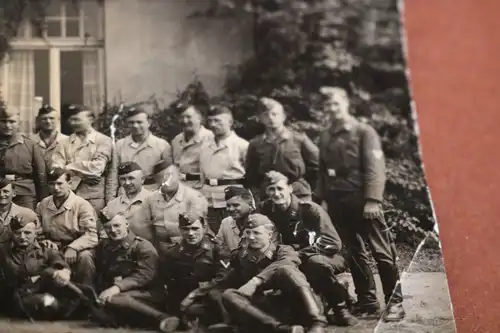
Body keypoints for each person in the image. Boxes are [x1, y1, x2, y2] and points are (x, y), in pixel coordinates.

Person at [316, 86, 404, 322]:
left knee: (381, 252)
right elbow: (323, 171)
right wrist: (323, 199)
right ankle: (368, 302)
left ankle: (395, 303)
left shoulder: (364, 132)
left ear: (346, 104)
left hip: (362, 199)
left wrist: (373, 199)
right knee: (354, 252)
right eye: (327, 105)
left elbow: (376, 168)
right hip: (337, 201)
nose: (332, 109)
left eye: (336, 104)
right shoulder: (325, 136)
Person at [260, 171, 357, 326]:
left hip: (329, 255)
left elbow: (332, 242)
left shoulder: (309, 209)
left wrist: (299, 253)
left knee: (315, 262)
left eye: (280, 188)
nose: (276, 194)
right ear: (266, 191)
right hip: (290, 258)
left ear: (290, 188)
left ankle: (340, 307)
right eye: (271, 189)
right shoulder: (265, 209)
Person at [212, 213, 327, 333]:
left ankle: (318, 322)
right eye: (248, 232)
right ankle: (281, 329)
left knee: (286, 269)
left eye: (256, 233)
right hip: (266, 313)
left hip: (292, 305)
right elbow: (226, 282)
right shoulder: (240, 257)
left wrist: (256, 281)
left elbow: (288, 262)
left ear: (269, 235)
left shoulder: (284, 250)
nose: (251, 237)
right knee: (228, 294)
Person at [93, 213, 174, 331]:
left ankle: (163, 318)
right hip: (123, 293)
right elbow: (101, 270)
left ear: (126, 224)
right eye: (108, 227)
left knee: (114, 298)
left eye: (117, 226)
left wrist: (117, 287)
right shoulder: (105, 246)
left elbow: (145, 275)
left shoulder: (142, 246)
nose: (113, 230)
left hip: (149, 293)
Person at [158, 211, 231, 331]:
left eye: (195, 228)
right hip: (186, 298)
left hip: (211, 297)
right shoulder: (173, 252)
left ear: (204, 228)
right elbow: (168, 280)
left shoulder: (218, 249)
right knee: (190, 310)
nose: (191, 233)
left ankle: (227, 323)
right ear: (180, 230)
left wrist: (195, 294)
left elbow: (223, 277)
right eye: (186, 229)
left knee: (214, 295)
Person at [245, 97, 319, 205]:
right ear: (260, 118)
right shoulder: (256, 144)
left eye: (275, 114)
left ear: (283, 116)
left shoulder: (298, 139)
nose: (271, 118)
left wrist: (309, 187)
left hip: (298, 192)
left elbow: (316, 165)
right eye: (266, 115)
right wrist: (258, 194)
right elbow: (251, 174)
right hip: (269, 194)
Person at [0, 215, 72, 320]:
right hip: (11, 297)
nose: (22, 237)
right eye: (17, 233)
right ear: (12, 234)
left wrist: (63, 273)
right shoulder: (3, 251)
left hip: (40, 293)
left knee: (50, 296)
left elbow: (61, 267)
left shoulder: (47, 250)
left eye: (27, 233)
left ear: (36, 233)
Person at [36, 168, 98, 286]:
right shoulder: (43, 204)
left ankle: (85, 294)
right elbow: (37, 230)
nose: (55, 188)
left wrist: (73, 247)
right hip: (53, 246)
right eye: (52, 184)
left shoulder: (82, 205)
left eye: (60, 183)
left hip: (78, 246)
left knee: (85, 258)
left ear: (69, 184)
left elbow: (91, 235)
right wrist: (44, 241)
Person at [52, 104, 116, 213]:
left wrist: (68, 168)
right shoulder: (63, 143)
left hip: (94, 198)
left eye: (77, 120)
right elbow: (56, 169)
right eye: (71, 120)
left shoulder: (103, 141)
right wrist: (83, 175)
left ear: (90, 120)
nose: (73, 123)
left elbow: (97, 169)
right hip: (68, 197)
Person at [133, 164, 208, 253]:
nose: (167, 180)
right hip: (160, 249)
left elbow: (197, 230)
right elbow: (143, 228)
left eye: (170, 175)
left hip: (189, 249)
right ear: (156, 180)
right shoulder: (150, 199)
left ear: (179, 175)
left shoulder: (194, 197)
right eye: (161, 177)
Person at [200, 104, 249, 233]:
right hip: (209, 200)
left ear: (230, 122)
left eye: (217, 121)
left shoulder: (242, 146)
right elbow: (202, 175)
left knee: (234, 234)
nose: (213, 124)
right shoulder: (205, 147)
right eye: (210, 121)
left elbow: (251, 177)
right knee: (214, 237)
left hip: (232, 201)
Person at [0, 103, 47, 210]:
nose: (7, 125)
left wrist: (43, 200)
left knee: (26, 223)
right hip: (1, 192)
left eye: (12, 122)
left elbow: (41, 175)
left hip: (24, 193)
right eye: (3, 121)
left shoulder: (30, 145)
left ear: (19, 123)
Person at [114, 107, 172, 192]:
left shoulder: (162, 145)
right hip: (126, 193)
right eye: (131, 122)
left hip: (153, 192)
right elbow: (113, 175)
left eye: (139, 122)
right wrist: (112, 199)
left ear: (149, 123)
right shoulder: (120, 145)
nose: (135, 126)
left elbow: (169, 176)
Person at [171, 103, 214, 189]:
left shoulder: (211, 138)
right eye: (181, 117)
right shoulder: (176, 140)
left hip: (202, 188)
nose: (184, 121)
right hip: (180, 188)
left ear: (199, 118)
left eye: (188, 117)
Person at [0, 178, 39, 248]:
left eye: (6, 191)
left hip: (15, 255)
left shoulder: (27, 213)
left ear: (14, 193)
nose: (1, 195)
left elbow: (38, 236)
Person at [216, 186, 256, 252]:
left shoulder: (263, 224)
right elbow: (218, 245)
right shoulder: (226, 222)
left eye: (236, 205)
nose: (231, 209)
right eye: (228, 206)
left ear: (250, 205)